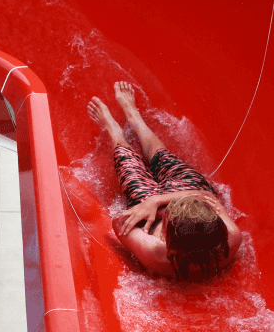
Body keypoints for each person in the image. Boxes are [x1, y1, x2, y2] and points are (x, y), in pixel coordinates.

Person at [90, 82, 242, 280]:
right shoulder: (231, 237)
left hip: (148, 209)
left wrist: (150, 204)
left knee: (129, 167)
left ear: (167, 240)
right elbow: (207, 196)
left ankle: (114, 131)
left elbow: (119, 223)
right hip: (180, 193)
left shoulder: (155, 253)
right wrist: (158, 203)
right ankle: (135, 118)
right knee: (164, 159)